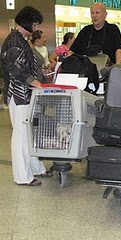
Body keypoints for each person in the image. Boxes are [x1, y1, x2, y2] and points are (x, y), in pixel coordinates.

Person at [0, 6, 53, 186]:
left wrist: (41, 76)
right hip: (19, 95)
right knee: (22, 135)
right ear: (28, 23)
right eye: (35, 23)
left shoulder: (21, 39)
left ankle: (36, 168)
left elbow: (26, 67)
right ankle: (22, 176)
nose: (37, 27)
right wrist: (36, 83)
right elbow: (15, 70)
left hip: (25, 94)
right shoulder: (14, 41)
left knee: (29, 134)